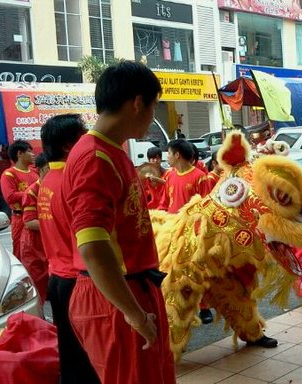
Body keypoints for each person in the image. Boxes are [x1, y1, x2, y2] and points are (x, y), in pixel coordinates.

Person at [60, 61, 175, 383]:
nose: (152, 118)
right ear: (138, 103)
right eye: (154, 107)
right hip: (116, 297)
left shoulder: (112, 152)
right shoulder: (95, 159)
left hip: (131, 290)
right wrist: (135, 314)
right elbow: (92, 247)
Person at [38, 114, 100, 384]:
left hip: (57, 278)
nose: (88, 138)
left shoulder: (47, 180)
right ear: (67, 146)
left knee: (69, 350)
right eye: (83, 134)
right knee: (91, 354)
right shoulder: (72, 180)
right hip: (78, 280)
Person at [0, 140, 38, 260]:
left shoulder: (35, 172)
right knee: (21, 252)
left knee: (38, 253)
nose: (33, 154)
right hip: (20, 219)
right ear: (19, 154)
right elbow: (10, 196)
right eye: (29, 151)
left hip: (37, 218)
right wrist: (32, 193)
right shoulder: (9, 174)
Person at [20, 154, 49, 304]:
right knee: (37, 285)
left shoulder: (54, 186)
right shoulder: (32, 191)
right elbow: (29, 222)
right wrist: (54, 224)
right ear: (40, 170)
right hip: (34, 245)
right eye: (47, 169)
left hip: (49, 243)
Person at [158, 139, 211, 214]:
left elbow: (206, 205)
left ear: (177, 155)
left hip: (190, 224)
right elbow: (164, 202)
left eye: (169, 153)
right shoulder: (170, 175)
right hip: (172, 223)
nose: (167, 157)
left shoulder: (200, 176)